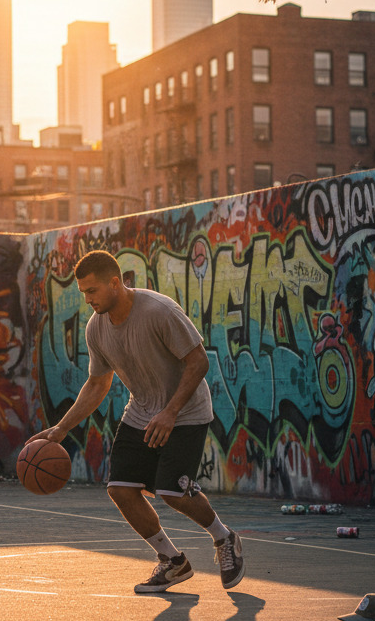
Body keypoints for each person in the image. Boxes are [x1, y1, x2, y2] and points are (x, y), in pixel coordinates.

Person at [30, 250, 244, 594]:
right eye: (83, 293)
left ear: (115, 283)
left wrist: (171, 412)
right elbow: (98, 384)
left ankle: (224, 538)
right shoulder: (96, 329)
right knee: (121, 490)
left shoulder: (159, 311)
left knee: (172, 492)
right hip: (142, 412)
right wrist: (62, 428)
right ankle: (173, 561)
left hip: (186, 412)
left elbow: (199, 362)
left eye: (92, 291)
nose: (87, 300)